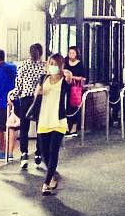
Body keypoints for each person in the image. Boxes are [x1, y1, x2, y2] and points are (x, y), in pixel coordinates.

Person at [29, 53, 71, 195]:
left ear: (61, 66)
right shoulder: (43, 78)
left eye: (56, 64)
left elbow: (70, 81)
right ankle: (52, 174)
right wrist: (38, 92)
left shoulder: (64, 80)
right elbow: (36, 95)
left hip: (58, 120)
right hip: (43, 119)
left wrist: (68, 74)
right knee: (44, 151)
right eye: (51, 63)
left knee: (54, 151)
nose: (53, 67)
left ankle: (46, 183)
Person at [10, 43, 45, 172]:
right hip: (40, 100)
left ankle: (24, 155)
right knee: (40, 128)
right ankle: (38, 155)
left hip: (25, 100)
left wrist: (12, 95)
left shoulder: (23, 65)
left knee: (24, 128)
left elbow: (18, 85)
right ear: (41, 53)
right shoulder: (44, 66)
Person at [64, 45, 88, 136]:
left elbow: (83, 78)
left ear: (77, 54)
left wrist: (71, 77)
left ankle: (74, 128)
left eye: (73, 53)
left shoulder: (80, 64)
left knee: (75, 107)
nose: (71, 55)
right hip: (66, 88)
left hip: (76, 89)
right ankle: (66, 128)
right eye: (70, 53)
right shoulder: (65, 62)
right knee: (66, 107)